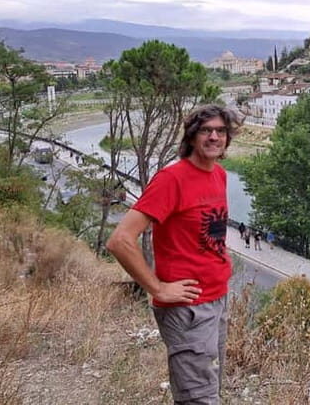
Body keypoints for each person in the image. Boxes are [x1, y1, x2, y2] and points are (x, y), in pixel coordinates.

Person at [106, 104, 241, 405]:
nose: (214, 137)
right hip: (188, 309)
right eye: (206, 130)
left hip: (216, 300)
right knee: (198, 398)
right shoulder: (172, 179)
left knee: (210, 388)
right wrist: (157, 288)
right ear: (192, 137)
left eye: (221, 131)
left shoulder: (218, 174)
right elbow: (120, 240)